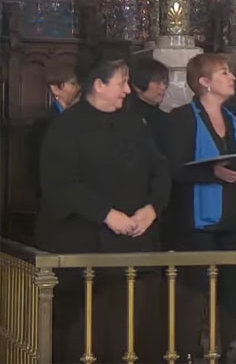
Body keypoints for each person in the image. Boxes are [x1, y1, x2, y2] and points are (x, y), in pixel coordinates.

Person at [36, 47, 168, 364]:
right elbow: (61, 184)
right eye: (121, 82)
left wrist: (152, 208)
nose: (127, 90)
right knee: (89, 338)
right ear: (98, 85)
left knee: (138, 334)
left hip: (138, 247)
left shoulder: (134, 123)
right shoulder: (67, 127)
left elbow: (161, 171)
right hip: (86, 249)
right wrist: (106, 214)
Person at [165, 53, 236, 360]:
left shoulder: (232, 120)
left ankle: (230, 346)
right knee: (198, 291)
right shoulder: (182, 117)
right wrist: (211, 172)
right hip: (198, 220)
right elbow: (175, 168)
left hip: (234, 216)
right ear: (204, 82)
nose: (232, 77)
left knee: (233, 288)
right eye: (224, 73)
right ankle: (195, 348)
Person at [28, 60, 80, 198]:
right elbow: (38, 168)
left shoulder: (77, 118)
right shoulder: (44, 123)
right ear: (56, 88)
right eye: (73, 84)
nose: (78, 89)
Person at [125, 56, 170, 151]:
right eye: (157, 82)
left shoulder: (166, 118)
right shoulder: (127, 117)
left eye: (165, 82)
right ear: (137, 86)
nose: (163, 87)